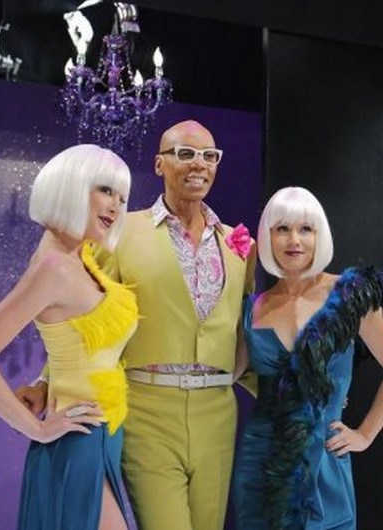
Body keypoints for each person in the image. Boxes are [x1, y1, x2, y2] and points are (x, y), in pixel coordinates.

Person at [18, 120, 256, 530]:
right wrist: (45, 380)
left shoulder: (239, 245)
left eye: (209, 156)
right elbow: (89, 318)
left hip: (218, 412)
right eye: (185, 154)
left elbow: (247, 330)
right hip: (148, 409)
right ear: (160, 164)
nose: (199, 164)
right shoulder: (121, 231)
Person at [0, 144, 137, 530]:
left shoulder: (80, 258)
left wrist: (42, 383)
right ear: (72, 185)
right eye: (106, 190)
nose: (116, 206)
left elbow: (75, 341)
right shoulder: (55, 267)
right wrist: (35, 427)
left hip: (100, 436)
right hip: (77, 441)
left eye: (122, 197)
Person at [233, 186, 383, 530]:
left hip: (327, 460)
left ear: (320, 235)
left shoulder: (349, 294)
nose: (294, 240)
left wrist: (365, 434)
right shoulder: (253, 308)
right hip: (264, 463)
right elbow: (231, 371)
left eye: (306, 229)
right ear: (267, 237)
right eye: (282, 229)